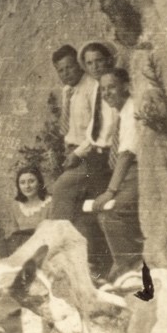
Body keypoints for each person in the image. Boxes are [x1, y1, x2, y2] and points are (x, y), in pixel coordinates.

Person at [50, 40, 118, 275]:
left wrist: (77, 154)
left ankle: (54, 250)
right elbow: (69, 128)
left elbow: (96, 130)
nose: (66, 73)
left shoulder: (93, 88)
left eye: (70, 67)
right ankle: (87, 262)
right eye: (61, 70)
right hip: (73, 151)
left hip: (88, 155)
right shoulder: (68, 91)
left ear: (79, 66)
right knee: (80, 213)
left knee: (61, 190)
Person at [92, 68, 144, 282]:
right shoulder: (122, 112)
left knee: (111, 212)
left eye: (111, 87)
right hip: (130, 172)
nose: (107, 93)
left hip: (139, 170)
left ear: (125, 86)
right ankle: (124, 261)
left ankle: (129, 266)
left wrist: (110, 191)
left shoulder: (131, 110)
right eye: (103, 89)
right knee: (102, 210)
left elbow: (125, 155)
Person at [0, 165, 52, 257]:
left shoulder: (50, 203)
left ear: (39, 182)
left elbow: (54, 233)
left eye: (31, 181)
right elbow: (14, 233)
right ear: (18, 186)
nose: (27, 186)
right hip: (22, 250)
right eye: (22, 183)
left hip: (44, 250)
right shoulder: (16, 205)